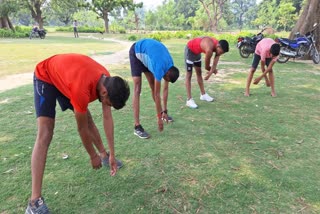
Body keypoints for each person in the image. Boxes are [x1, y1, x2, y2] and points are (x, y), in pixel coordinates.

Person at [25, 53, 130, 214]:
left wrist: (112, 155)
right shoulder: (81, 90)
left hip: (67, 79)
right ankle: (34, 202)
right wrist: (92, 155)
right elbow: (81, 128)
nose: (107, 105)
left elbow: (107, 118)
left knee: (88, 119)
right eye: (109, 103)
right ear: (104, 93)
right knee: (45, 133)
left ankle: (104, 156)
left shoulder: (108, 81)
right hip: (46, 77)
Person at [130, 38, 180, 139]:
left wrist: (164, 111)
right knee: (137, 88)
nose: (164, 79)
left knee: (153, 85)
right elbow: (157, 95)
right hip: (136, 52)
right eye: (165, 78)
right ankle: (137, 126)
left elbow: (165, 89)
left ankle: (162, 113)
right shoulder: (160, 68)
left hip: (147, 56)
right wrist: (159, 119)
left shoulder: (170, 66)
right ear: (166, 74)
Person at [184, 37, 229, 109]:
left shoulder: (218, 46)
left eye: (222, 53)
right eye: (220, 52)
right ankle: (189, 100)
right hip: (190, 50)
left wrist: (210, 73)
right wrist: (212, 71)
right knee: (189, 74)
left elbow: (214, 64)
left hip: (197, 52)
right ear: (218, 46)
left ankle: (203, 95)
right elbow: (207, 67)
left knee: (199, 73)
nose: (220, 54)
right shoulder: (209, 50)